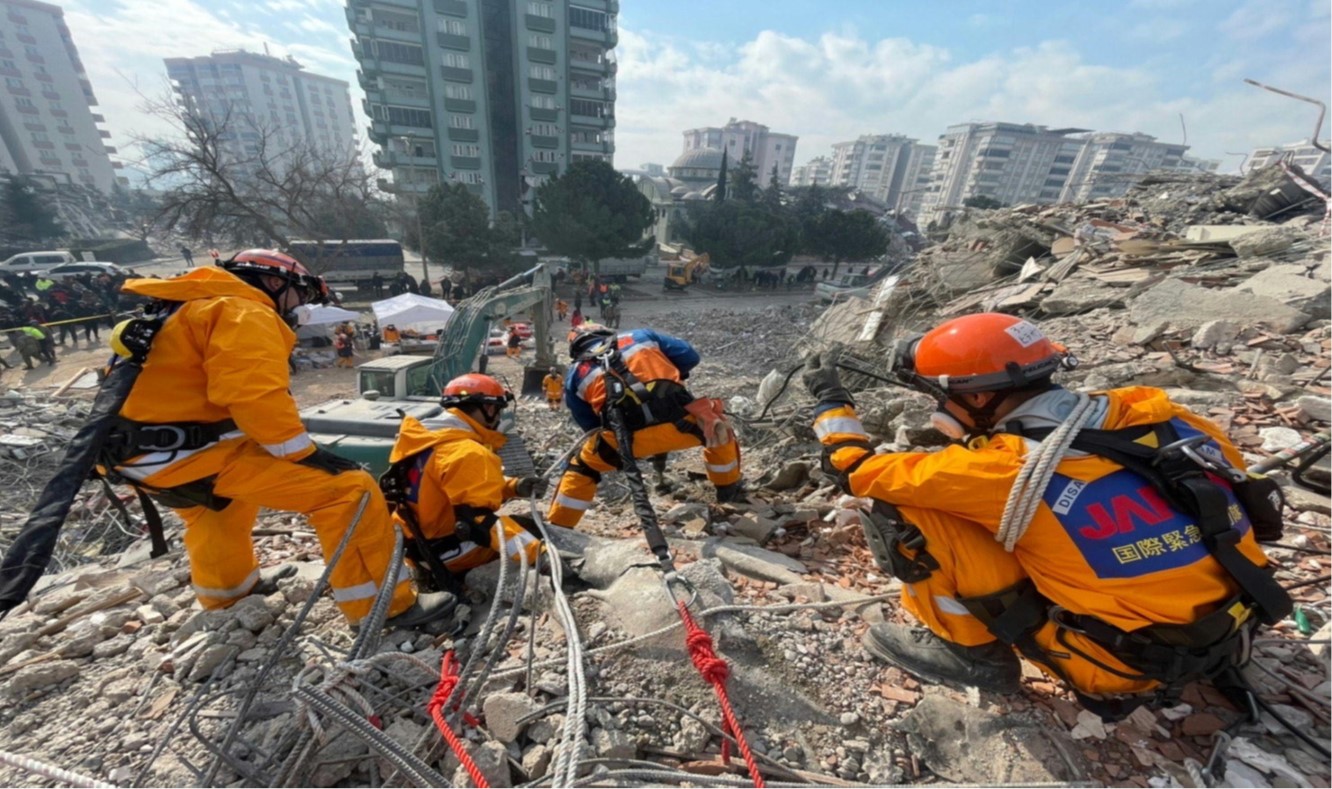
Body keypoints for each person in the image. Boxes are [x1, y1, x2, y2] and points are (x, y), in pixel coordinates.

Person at [802, 312, 1287, 718]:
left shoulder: (1002, 469)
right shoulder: (1163, 416)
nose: (940, 406)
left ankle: (971, 652)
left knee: (907, 504)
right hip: (1234, 624)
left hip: (1117, 665)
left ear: (974, 398)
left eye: (941, 396)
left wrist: (832, 405)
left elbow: (857, 470)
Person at [101, 250, 452, 632]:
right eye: (300, 296)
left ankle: (227, 595)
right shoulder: (244, 312)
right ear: (274, 283)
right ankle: (383, 607)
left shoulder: (184, 306)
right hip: (189, 454)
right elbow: (254, 394)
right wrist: (307, 454)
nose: (301, 308)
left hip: (140, 454)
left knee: (217, 509)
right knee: (351, 491)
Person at [547, 325, 744, 529]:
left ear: (575, 348)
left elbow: (589, 425)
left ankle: (559, 526)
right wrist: (673, 374)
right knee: (718, 429)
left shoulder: (575, 373)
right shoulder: (641, 336)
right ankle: (728, 488)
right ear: (606, 333)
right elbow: (690, 356)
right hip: (684, 427)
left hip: (626, 443)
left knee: (581, 467)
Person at [384, 374, 545, 599]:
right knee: (532, 530)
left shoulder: (425, 439)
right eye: (497, 408)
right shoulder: (469, 452)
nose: (499, 416)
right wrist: (538, 554)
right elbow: (477, 522)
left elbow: (453, 487)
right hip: (451, 554)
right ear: (487, 408)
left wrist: (514, 487)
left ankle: (427, 576)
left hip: (415, 548)